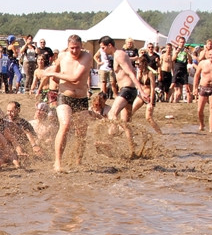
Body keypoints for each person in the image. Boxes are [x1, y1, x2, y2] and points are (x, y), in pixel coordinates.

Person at [40, 34, 92, 170]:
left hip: (81, 98)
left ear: (82, 46)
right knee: (65, 124)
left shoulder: (87, 57)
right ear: (68, 47)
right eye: (72, 48)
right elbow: (54, 70)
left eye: (77, 48)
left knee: (81, 132)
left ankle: (78, 161)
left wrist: (54, 75)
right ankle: (58, 162)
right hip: (65, 96)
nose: (75, 51)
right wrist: (50, 78)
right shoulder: (62, 56)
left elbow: (75, 78)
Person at [104, 37, 149, 158]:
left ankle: (109, 141)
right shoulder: (118, 54)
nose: (103, 50)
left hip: (127, 90)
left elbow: (131, 72)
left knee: (112, 114)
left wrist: (142, 91)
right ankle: (133, 150)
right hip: (129, 90)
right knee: (126, 123)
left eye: (103, 47)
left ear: (109, 45)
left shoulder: (119, 54)